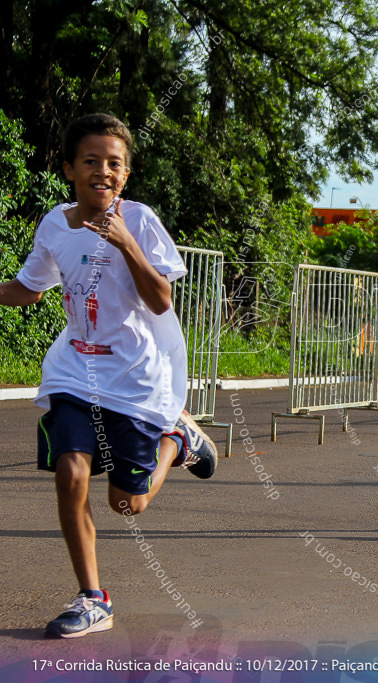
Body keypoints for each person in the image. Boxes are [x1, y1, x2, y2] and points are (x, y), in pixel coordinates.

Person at [0, 113, 217, 638]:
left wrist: (124, 242)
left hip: (138, 377)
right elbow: (30, 287)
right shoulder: (55, 224)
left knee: (128, 504)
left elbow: (162, 299)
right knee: (70, 472)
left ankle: (176, 437)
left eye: (114, 163)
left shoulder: (140, 220)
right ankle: (93, 597)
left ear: (126, 172)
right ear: (70, 168)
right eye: (91, 161)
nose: (103, 170)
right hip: (76, 369)